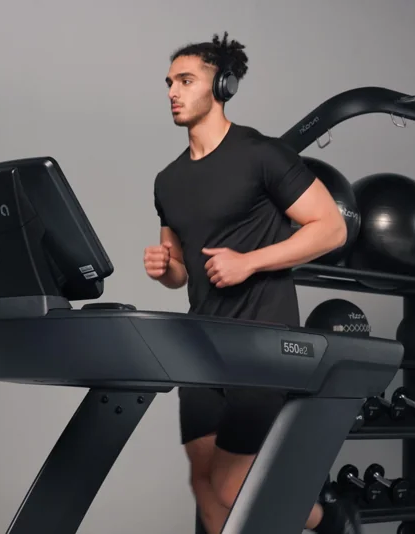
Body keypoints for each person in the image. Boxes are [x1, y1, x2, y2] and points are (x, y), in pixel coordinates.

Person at [143, 32, 360, 534]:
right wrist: (165, 268)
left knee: (227, 485)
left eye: (186, 80)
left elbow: (331, 228)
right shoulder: (167, 180)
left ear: (222, 85)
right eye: (169, 82)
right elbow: (179, 274)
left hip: (263, 346)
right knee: (203, 486)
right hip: (199, 349)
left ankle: (330, 520)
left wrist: (251, 262)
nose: (173, 91)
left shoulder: (263, 154)